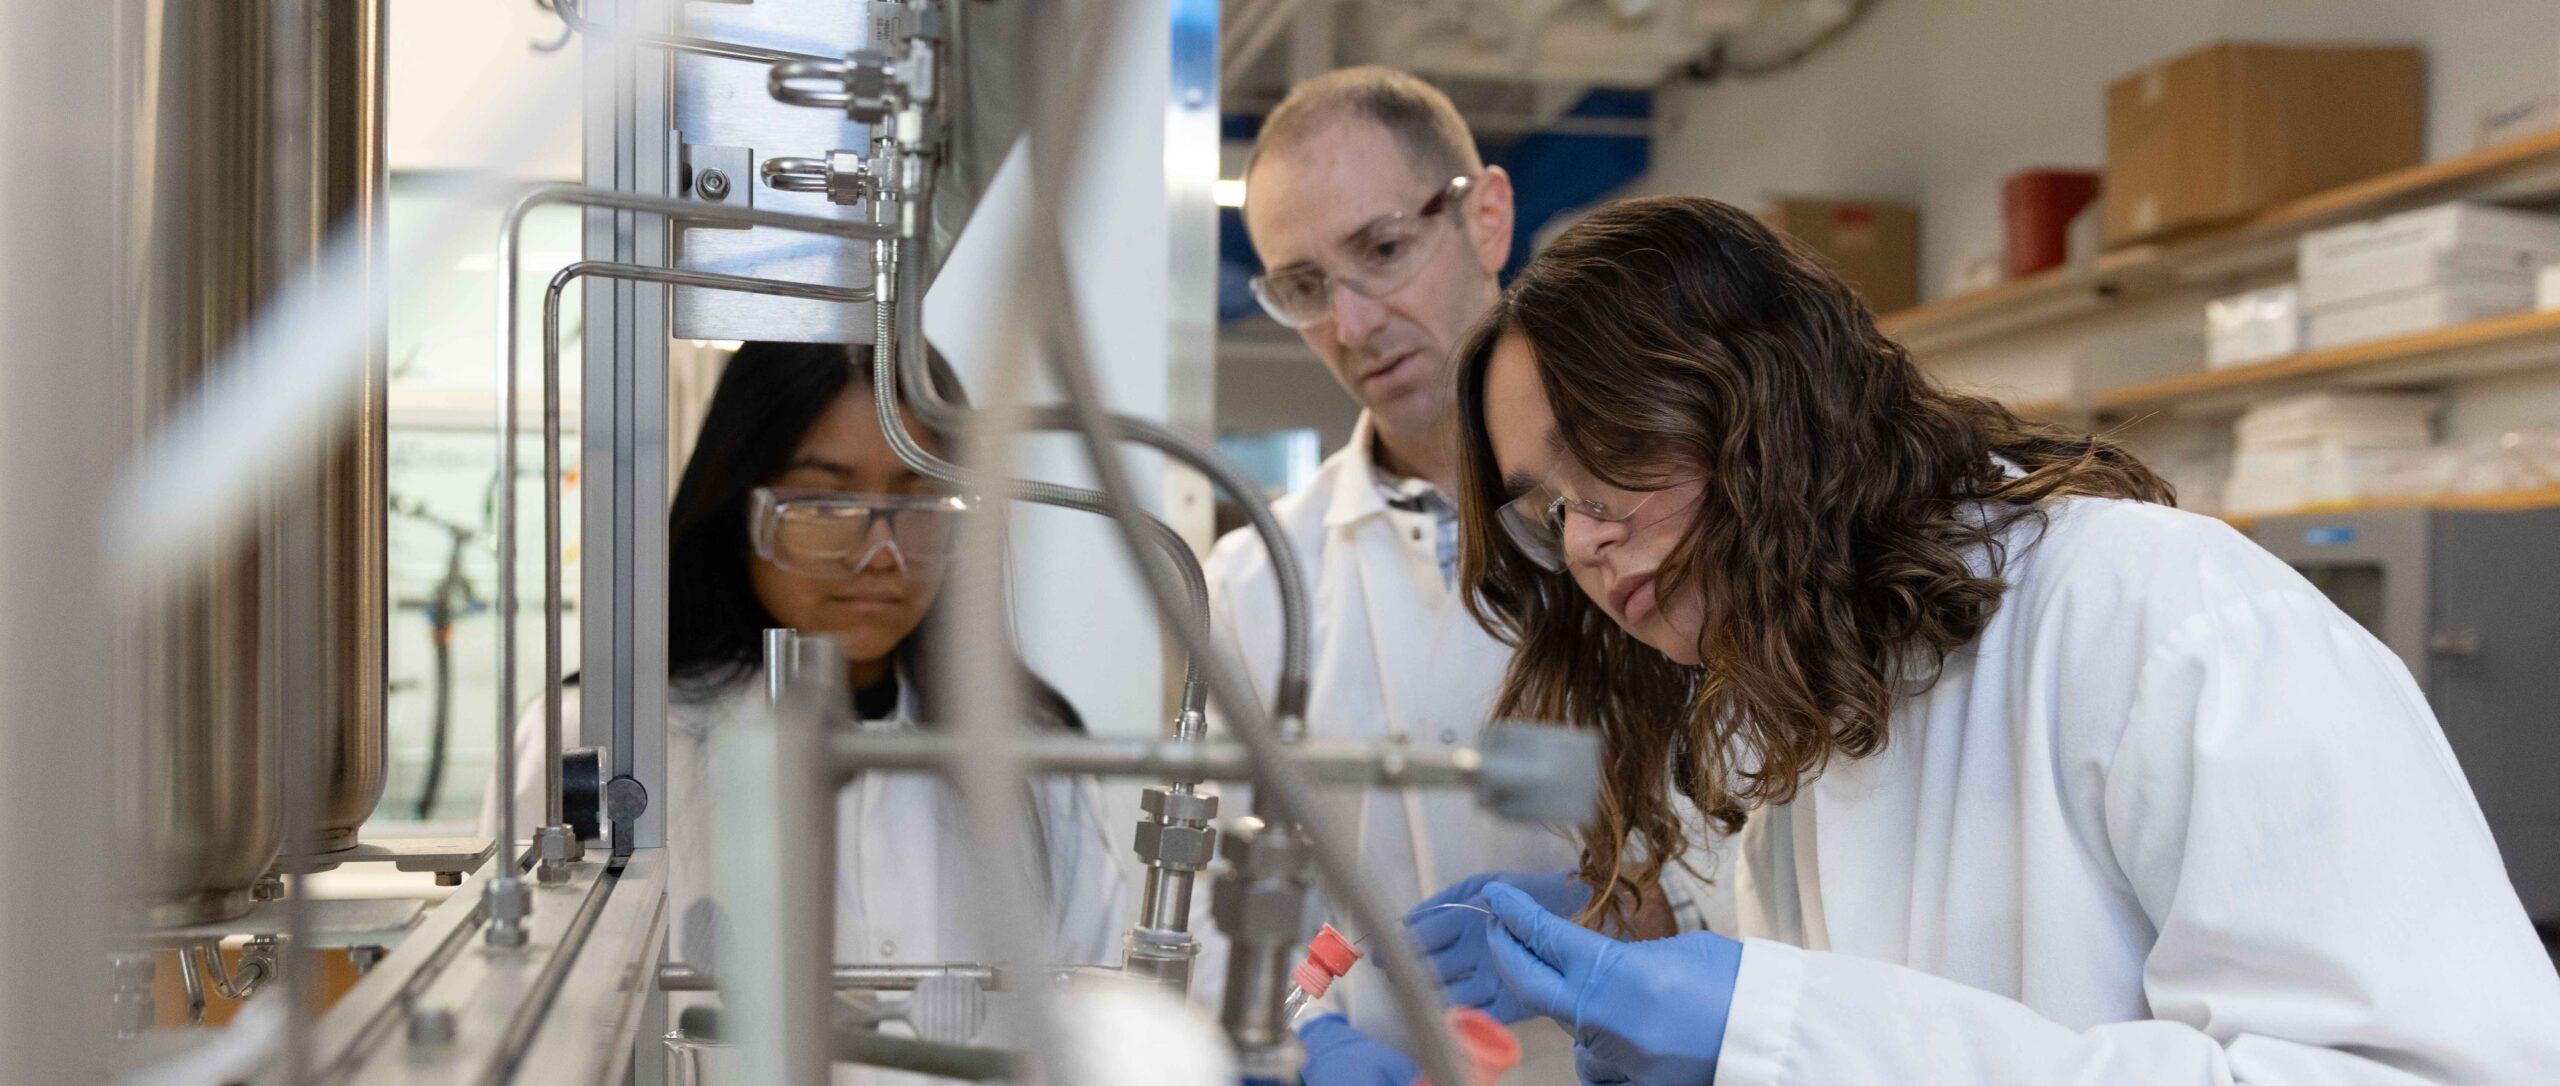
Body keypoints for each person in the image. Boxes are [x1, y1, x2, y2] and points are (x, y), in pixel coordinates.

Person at [1406, 194, 2560, 1083]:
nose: (1588, 538)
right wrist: (1664, 944)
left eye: (1609, 454)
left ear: (1765, 400)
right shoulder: (1801, 691)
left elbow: (2418, 1070)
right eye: (1545, 508)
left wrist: (1776, 1029)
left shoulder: (2162, 618)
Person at [488, 341, 1127, 1084]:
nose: (880, 553)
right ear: (740, 507)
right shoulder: (606, 735)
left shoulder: (1031, 752)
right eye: (826, 504)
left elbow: (1100, 1027)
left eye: (920, 505)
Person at [1205, 67, 1645, 1079]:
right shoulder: (1259, 580)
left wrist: (1622, 909)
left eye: (1382, 251)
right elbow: (1229, 901)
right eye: (1304, 288)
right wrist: (1302, 1041)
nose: (1351, 326)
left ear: (1486, 217)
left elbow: (1756, 816)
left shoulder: (1652, 506)